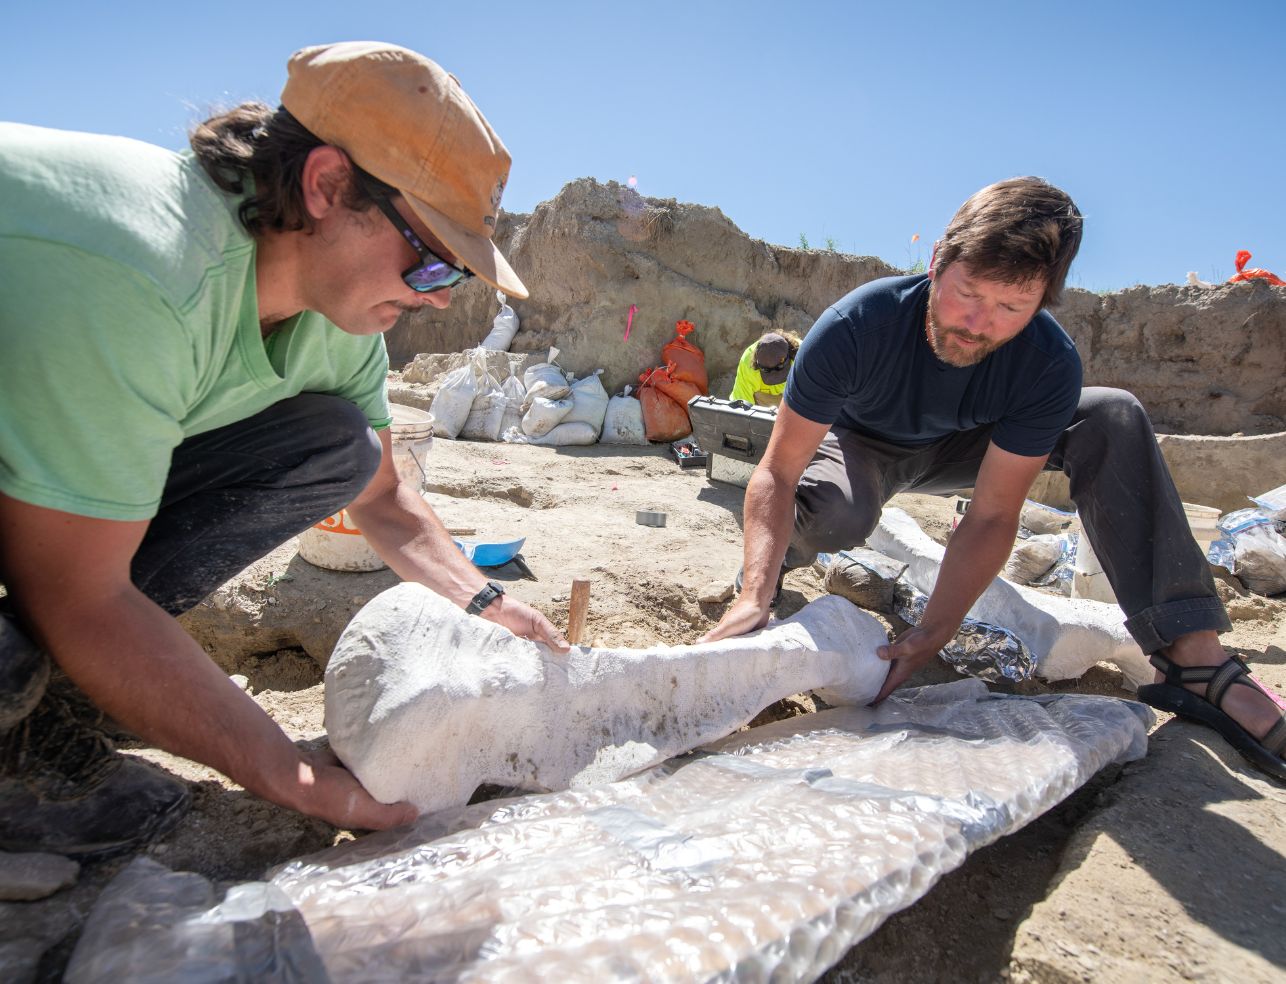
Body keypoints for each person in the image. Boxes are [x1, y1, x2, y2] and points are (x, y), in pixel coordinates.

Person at [0, 41, 571, 859]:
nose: (428, 300)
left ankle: (51, 714)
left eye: (451, 282)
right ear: (329, 186)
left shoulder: (336, 311)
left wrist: (486, 602)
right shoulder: (147, 270)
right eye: (431, 264)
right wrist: (284, 773)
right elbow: (80, 595)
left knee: (335, 446)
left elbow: (378, 495)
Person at [704, 177, 1285, 784]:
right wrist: (753, 588)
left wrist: (935, 630)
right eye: (967, 294)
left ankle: (1194, 660)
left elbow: (991, 513)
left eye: (1012, 307)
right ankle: (773, 572)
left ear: (1044, 300)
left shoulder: (1045, 362)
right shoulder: (857, 326)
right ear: (937, 262)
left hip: (976, 447)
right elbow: (778, 468)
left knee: (1110, 415)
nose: (978, 325)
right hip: (862, 445)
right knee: (840, 515)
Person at [728, 331, 801, 407]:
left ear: (789, 356)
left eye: (779, 369)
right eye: (766, 371)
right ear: (757, 364)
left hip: (795, 400)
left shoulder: (802, 357)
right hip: (764, 401)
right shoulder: (748, 362)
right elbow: (741, 404)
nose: (774, 378)